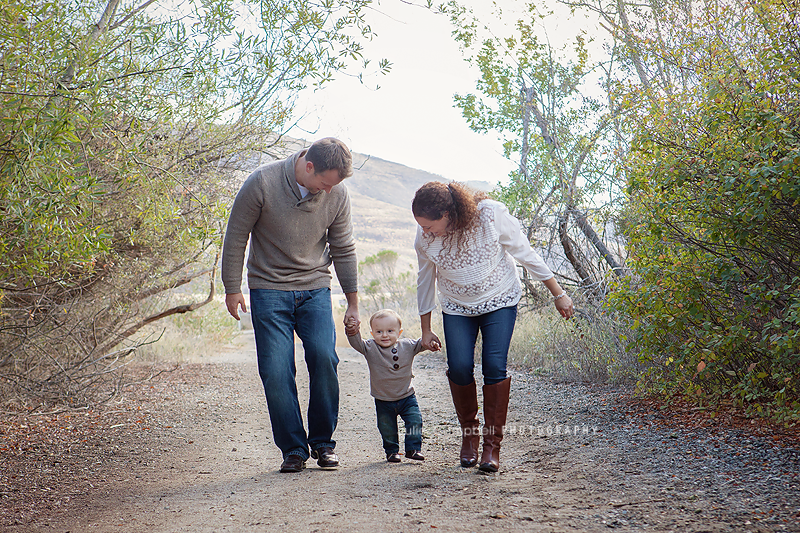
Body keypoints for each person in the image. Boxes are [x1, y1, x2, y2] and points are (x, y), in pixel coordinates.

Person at [412, 181, 574, 473]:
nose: (425, 231)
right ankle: (470, 436)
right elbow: (425, 279)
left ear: (449, 213)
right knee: (459, 366)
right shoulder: (425, 238)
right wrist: (426, 328)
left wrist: (558, 293)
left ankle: (491, 447)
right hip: (457, 306)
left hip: (499, 299)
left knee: (493, 366)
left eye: (430, 225)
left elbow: (525, 253)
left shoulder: (489, 215)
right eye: (421, 226)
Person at [221, 137, 360, 474]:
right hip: (268, 289)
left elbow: (343, 248)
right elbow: (236, 235)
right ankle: (294, 449)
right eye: (324, 183)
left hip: (315, 288)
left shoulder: (336, 193)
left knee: (325, 358)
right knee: (275, 369)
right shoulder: (262, 183)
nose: (328, 191)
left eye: (334, 186)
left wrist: (353, 302)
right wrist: (232, 288)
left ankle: (324, 444)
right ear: (308, 166)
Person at [345, 309, 438, 463]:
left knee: (415, 421)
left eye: (390, 331)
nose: (385, 335)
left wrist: (431, 344)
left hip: (407, 397)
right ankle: (392, 452)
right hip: (383, 400)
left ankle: (413, 449)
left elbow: (422, 344)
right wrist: (351, 330)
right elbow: (356, 343)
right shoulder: (370, 348)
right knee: (387, 429)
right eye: (379, 331)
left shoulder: (407, 345)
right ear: (372, 332)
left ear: (399, 332)